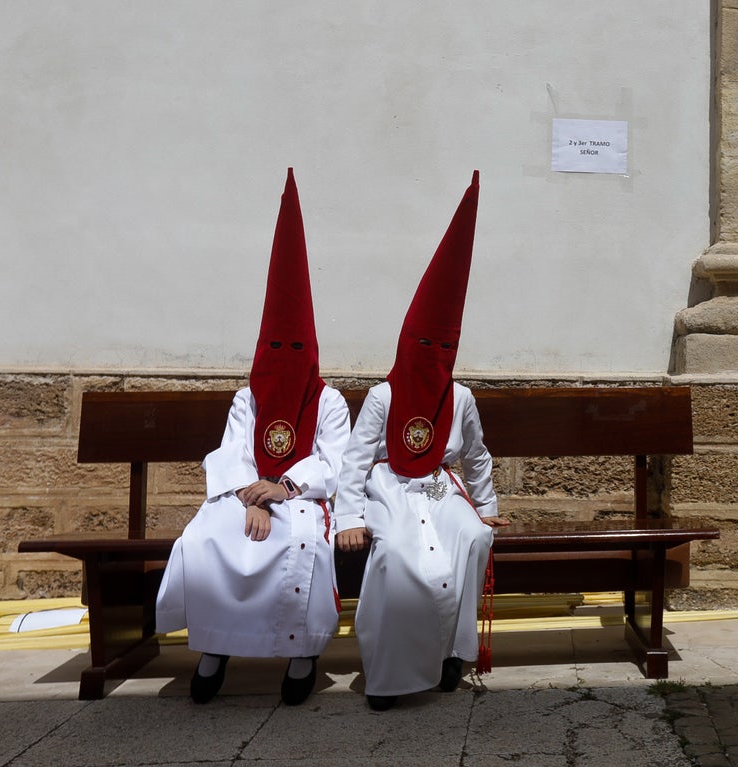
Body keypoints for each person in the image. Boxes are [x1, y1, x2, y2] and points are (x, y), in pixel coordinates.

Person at [155, 169, 350, 705]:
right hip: (243, 495)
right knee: (208, 540)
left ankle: (301, 652)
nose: (286, 360)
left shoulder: (328, 401)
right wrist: (250, 495)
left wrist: (281, 490)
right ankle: (215, 647)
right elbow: (232, 451)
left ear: (310, 351)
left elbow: (333, 462)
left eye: (296, 349)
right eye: (276, 348)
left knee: (300, 543)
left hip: (300, 498)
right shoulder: (249, 398)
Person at [335, 171, 509, 711]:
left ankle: (451, 654)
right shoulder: (385, 397)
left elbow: (475, 456)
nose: (432, 354)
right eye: (423, 343)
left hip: (438, 486)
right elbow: (357, 459)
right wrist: (348, 517)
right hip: (391, 490)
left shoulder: (459, 398)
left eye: (443, 345)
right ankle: (389, 674)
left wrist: (483, 508)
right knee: (395, 560)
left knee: (472, 541)